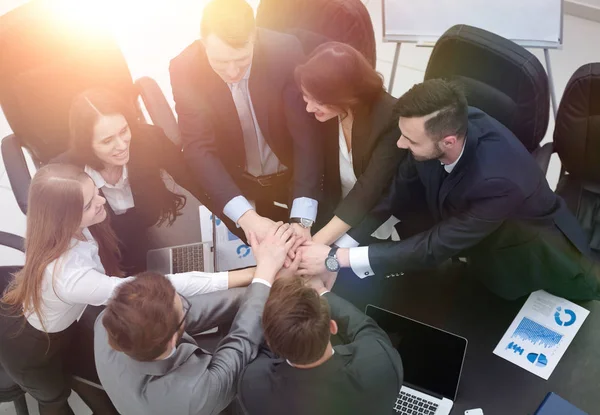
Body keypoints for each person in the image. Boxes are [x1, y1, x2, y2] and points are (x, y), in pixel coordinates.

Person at [298, 79, 600, 301]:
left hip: (530, 254)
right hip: (472, 242)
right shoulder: (439, 128)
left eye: (410, 141)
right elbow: (394, 194)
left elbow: (434, 247)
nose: (401, 145)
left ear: (448, 142)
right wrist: (339, 248)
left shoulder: (500, 181)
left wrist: (337, 260)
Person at [0, 164, 254, 415]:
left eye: (95, 191)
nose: (101, 201)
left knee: (84, 380)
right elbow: (161, 290)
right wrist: (248, 275)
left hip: (60, 323)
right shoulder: (70, 277)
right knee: (54, 398)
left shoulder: (59, 231)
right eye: (88, 205)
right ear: (65, 217)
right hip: (32, 349)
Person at [94, 222, 296, 415]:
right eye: (183, 305)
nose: (188, 304)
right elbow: (241, 343)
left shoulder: (111, 319)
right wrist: (265, 279)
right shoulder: (193, 395)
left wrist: (265, 280)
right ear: (173, 340)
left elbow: (200, 310)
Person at [170, 0, 324, 244]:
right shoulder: (184, 68)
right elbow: (198, 147)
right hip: (237, 184)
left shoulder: (284, 50)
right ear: (203, 43)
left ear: (254, 37)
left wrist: (302, 218)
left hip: (292, 176)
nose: (232, 72)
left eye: (241, 60)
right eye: (220, 62)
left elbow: (305, 134)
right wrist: (246, 217)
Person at [52, 88, 210, 273]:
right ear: (87, 144)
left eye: (124, 131)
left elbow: (194, 179)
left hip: (147, 230)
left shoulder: (149, 139)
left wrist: (240, 215)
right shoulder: (65, 172)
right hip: (101, 252)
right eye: (107, 140)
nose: (122, 145)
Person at [238, 276, 403, 415]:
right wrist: (321, 289)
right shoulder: (381, 364)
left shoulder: (254, 385)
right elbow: (367, 328)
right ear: (332, 326)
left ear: (270, 343)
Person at [296, 42, 406, 246]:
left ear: (345, 96)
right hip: (334, 210)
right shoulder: (326, 114)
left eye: (319, 101)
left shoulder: (389, 118)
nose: (309, 107)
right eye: (306, 96)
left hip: (376, 217)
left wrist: (317, 244)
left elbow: (369, 190)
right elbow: (308, 163)